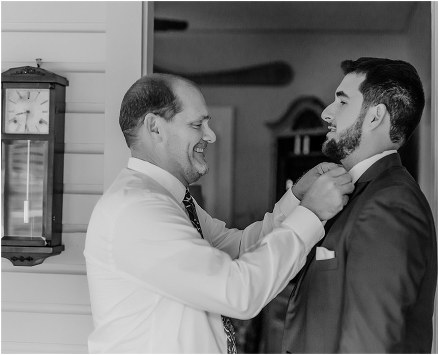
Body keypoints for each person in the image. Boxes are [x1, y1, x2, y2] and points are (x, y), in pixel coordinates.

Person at [84, 73, 353, 353]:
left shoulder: (169, 200)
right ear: (155, 128)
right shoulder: (138, 210)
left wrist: (297, 198)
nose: (210, 136)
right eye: (197, 124)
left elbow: (236, 248)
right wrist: (310, 214)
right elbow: (237, 292)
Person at [282, 57, 437, 353]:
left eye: (341, 102)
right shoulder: (362, 192)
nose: (327, 113)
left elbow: (372, 341)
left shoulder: (391, 205)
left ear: (375, 116)